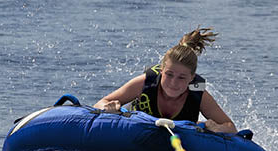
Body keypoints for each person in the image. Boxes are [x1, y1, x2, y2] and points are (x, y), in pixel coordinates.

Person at [94, 27, 237, 134]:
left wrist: (217, 128)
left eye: (182, 77)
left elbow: (231, 127)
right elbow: (99, 103)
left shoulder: (198, 93)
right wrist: (108, 108)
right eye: (169, 74)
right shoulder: (145, 82)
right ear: (161, 71)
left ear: (191, 78)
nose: (173, 83)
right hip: (135, 133)